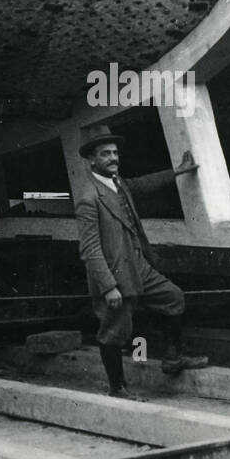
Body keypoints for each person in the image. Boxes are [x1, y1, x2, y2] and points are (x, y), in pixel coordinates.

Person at [74, 123, 209, 396]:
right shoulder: (89, 198)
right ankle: (117, 388)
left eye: (114, 152)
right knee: (115, 331)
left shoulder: (118, 183)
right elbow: (89, 249)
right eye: (105, 154)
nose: (113, 158)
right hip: (115, 274)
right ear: (91, 159)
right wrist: (108, 286)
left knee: (173, 298)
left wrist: (178, 171)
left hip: (138, 266)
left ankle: (173, 358)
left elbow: (143, 184)